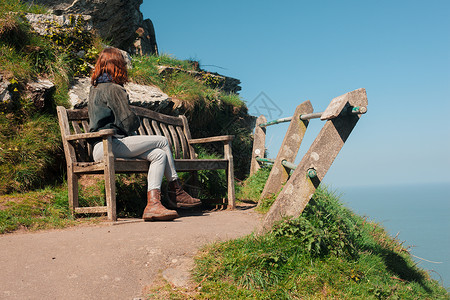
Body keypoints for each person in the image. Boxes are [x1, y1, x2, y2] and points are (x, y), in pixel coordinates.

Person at [88, 47, 201, 221]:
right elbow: (128, 122)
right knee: (162, 141)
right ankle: (176, 189)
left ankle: (153, 205)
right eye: (123, 64)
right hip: (110, 146)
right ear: (117, 65)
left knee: (158, 156)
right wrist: (134, 117)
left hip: (101, 147)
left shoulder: (95, 89)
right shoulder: (114, 89)